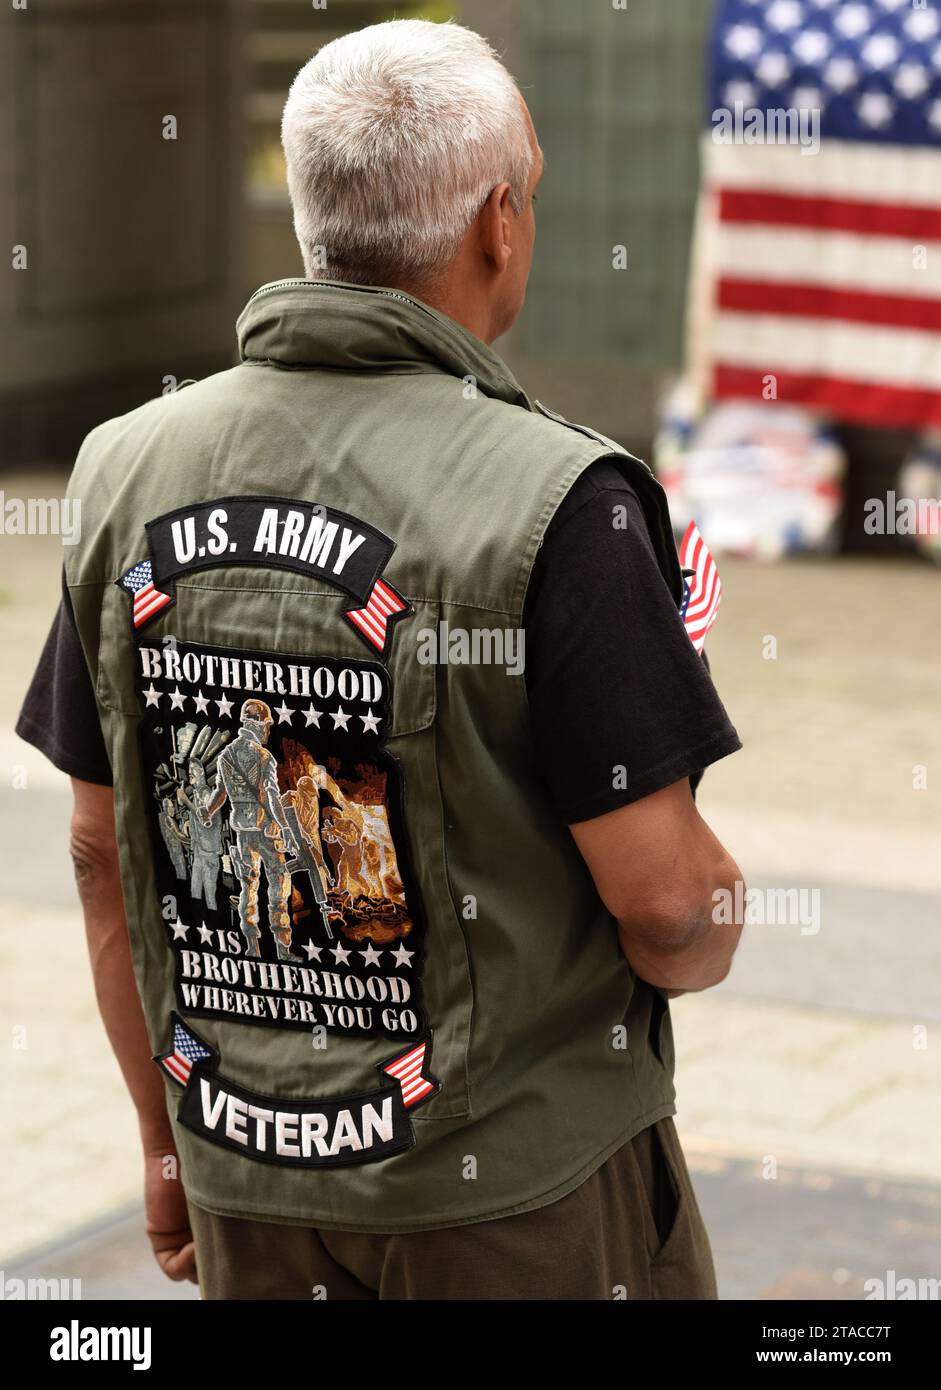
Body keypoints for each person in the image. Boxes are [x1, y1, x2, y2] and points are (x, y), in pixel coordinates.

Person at [16, 18, 745, 1300]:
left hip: (244, 1176)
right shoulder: (562, 502)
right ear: (497, 222)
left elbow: (100, 853)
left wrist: (165, 1140)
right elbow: (672, 908)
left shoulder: (123, 467)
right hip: (522, 1206)